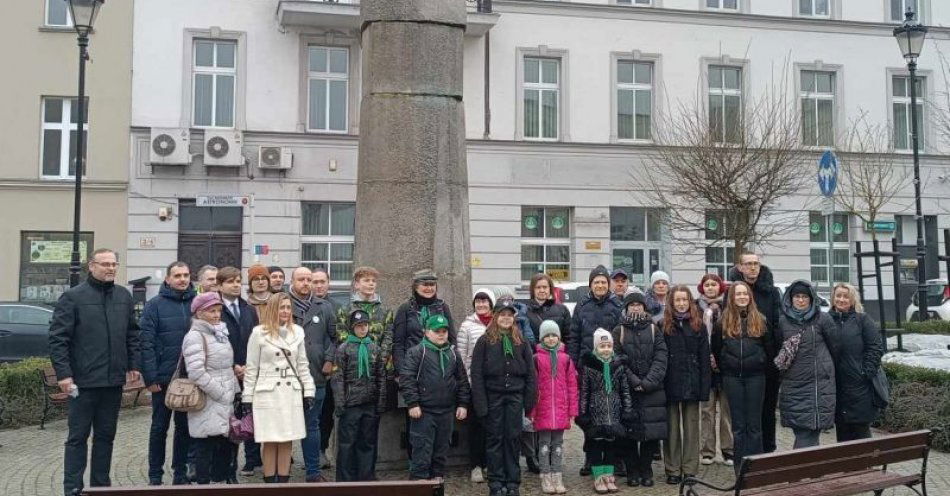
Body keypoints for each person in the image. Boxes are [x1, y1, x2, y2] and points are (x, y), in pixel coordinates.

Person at [49, 248, 141, 496]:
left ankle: (101, 488)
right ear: (91, 266)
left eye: (114, 264)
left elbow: (132, 334)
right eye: (105, 264)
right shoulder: (73, 297)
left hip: (112, 382)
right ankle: (73, 489)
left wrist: (133, 364)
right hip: (83, 382)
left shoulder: (123, 296)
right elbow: (59, 340)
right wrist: (64, 375)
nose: (111, 268)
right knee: (77, 438)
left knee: (105, 438)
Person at [242, 293, 317, 483]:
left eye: (288, 307)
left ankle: (283, 484)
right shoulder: (259, 333)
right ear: (273, 309)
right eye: (281, 307)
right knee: (269, 439)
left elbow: (302, 365)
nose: (285, 311)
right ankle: (269, 484)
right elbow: (251, 368)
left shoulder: (298, 331)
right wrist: (247, 398)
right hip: (267, 392)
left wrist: (308, 391)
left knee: (287, 439)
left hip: (290, 390)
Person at [471, 300, 538, 496]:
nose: (506, 318)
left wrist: (529, 401)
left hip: (515, 397)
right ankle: (496, 482)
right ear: (495, 316)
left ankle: (512, 482)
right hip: (493, 397)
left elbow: (531, 374)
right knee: (495, 441)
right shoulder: (484, 341)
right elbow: (476, 374)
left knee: (512, 440)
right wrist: (481, 404)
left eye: (510, 315)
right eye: (502, 314)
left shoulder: (521, 341)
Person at [140, 261, 196, 486]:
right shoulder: (154, 305)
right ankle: (155, 475)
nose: (182, 279)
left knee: (184, 429)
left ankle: (180, 473)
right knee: (159, 428)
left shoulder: (196, 303)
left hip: (189, 379)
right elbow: (146, 343)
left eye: (186, 275)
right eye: (177, 275)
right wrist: (150, 378)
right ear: (168, 279)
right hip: (163, 379)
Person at [400, 314, 471, 482]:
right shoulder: (417, 352)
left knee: (441, 452)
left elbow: (461, 380)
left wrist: (463, 403)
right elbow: (407, 378)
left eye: (444, 331)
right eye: (437, 331)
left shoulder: (453, 353)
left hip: (446, 411)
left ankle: (437, 484)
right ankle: (418, 485)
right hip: (424, 411)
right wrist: (413, 403)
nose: (441, 334)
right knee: (421, 452)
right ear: (426, 332)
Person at [712, 282, 770, 474]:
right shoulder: (722, 322)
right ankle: (740, 468)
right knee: (738, 426)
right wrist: (727, 366)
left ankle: (757, 468)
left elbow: (769, 348)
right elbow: (717, 349)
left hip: (756, 377)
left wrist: (760, 363)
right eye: (738, 294)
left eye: (745, 293)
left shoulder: (760, 320)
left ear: (750, 296)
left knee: (754, 425)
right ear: (732, 297)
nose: (742, 297)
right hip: (732, 378)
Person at [182, 292, 239, 484]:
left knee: (224, 444)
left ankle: (220, 483)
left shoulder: (221, 333)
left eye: (218, 311)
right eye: (211, 311)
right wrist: (220, 393)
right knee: (204, 445)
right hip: (207, 399)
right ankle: (203, 486)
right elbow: (196, 372)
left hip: (225, 399)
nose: (216, 315)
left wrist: (235, 392)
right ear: (199, 313)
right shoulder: (195, 336)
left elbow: (227, 367)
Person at [569, 265, 622, 477]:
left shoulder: (616, 305)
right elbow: (573, 336)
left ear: (608, 284)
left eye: (603, 282)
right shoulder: (582, 306)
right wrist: (573, 364)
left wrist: (618, 362)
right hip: (587, 367)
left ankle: (614, 459)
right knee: (588, 414)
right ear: (591, 285)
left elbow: (620, 337)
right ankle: (591, 457)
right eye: (596, 282)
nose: (600, 285)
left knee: (611, 413)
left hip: (611, 367)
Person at [728, 252, 782, 453]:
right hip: (740, 365)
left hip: (767, 363)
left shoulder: (772, 292)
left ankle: (767, 451)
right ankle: (744, 456)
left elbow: (777, 327)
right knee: (744, 417)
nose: (752, 268)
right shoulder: (733, 291)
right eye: (748, 264)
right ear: (740, 267)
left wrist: (774, 360)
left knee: (767, 411)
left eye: (756, 264)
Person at [612, 292, 667, 488]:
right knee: (628, 432)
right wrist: (634, 381)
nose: (636, 307)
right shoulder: (619, 330)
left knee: (649, 433)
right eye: (632, 304)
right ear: (626, 308)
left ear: (645, 307)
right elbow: (616, 358)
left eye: (639, 304)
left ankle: (646, 469)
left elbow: (661, 357)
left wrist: (648, 381)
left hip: (653, 389)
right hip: (627, 390)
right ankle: (632, 470)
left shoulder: (654, 329)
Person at [775, 280, 836, 449]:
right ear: (790, 299)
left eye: (804, 297)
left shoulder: (823, 319)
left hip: (818, 386)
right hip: (793, 386)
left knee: (809, 433)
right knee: (803, 433)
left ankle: (803, 471)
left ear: (811, 299)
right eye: (797, 296)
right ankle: (808, 471)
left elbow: (835, 348)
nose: (801, 300)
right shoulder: (783, 322)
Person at [662, 285, 711, 485]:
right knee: (671, 429)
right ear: (671, 303)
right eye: (677, 300)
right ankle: (672, 468)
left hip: (693, 381)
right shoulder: (663, 325)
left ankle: (690, 469)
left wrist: (704, 387)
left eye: (684, 300)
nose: (681, 304)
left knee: (691, 428)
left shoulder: (698, 325)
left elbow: (704, 358)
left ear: (690, 302)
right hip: (670, 381)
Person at [332, 309, 388, 482]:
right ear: (352, 328)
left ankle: (366, 477)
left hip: (369, 403)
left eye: (365, 325)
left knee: (368, 442)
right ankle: (345, 479)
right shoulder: (344, 348)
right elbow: (338, 377)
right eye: (358, 326)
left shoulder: (375, 348)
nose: (363, 329)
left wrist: (381, 402)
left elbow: (381, 377)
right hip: (350, 404)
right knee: (347, 444)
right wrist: (340, 403)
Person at [294, 267, 337, 482]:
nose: (306, 283)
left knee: (313, 424)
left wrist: (329, 360)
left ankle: (313, 471)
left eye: (308, 280)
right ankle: (277, 472)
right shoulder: (284, 305)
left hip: (317, 374)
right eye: (301, 279)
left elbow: (333, 337)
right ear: (293, 281)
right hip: (289, 377)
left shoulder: (325, 307)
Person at [826, 283, 884, 442]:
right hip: (836, 386)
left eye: (846, 296)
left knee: (861, 432)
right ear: (833, 298)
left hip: (859, 387)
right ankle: (847, 467)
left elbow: (875, 347)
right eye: (838, 295)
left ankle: (865, 466)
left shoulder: (862, 320)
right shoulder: (826, 320)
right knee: (842, 432)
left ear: (852, 300)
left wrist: (865, 372)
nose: (841, 299)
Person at [217, 267, 260, 479]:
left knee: (250, 416)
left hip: (248, 372)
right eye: (230, 282)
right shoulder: (215, 309)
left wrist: (248, 366)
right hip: (225, 374)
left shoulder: (249, 309)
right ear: (219, 285)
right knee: (229, 422)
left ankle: (251, 461)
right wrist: (233, 365)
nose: (235, 285)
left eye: (238, 281)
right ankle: (227, 468)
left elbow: (256, 340)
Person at [578, 329, 632, 494]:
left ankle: (608, 474)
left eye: (609, 345)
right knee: (596, 445)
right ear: (596, 348)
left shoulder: (619, 367)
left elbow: (625, 390)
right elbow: (585, 392)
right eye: (602, 346)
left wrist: (627, 410)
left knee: (611, 445)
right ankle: (598, 476)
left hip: (614, 412)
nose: (606, 349)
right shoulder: (590, 367)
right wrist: (583, 413)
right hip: (596, 413)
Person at [528, 320, 577, 494]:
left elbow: (572, 385)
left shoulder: (566, 359)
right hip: (543, 410)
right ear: (541, 338)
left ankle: (557, 474)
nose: (550, 339)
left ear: (559, 337)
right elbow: (532, 388)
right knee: (543, 445)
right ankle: (545, 475)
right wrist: (531, 411)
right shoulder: (536, 359)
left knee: (558, 445)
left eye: (553, 335)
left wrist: (572, 410)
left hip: (561, 410)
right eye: (547, 336)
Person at [457, 288, 495, 483]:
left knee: (492, 427)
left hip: (495, 385)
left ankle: (490, 463)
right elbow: (462, 357)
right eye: (478, 301)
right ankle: (476, 465)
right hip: (474, 384)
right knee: (476, 428)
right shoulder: (467, 326)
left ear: (491, 303)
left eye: (484, 301)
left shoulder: (499, 323)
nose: (481, 304)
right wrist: (465, 383)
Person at [696, 273, 733, 467]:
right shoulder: (697, 307)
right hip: (705, 367)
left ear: (720, 287)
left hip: (725, 366)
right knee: (707, 411)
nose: (710, 288)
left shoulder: (728, 306)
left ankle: (728, 450)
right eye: (707, 285)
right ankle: (707, 451)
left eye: (714, 285)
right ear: (702, 288)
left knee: (727, 412)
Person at [393, 269, 456, 376]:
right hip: (413, 366)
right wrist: (402, 372)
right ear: (416, 286)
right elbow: (398, 344)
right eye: (425, 285)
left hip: (439, 366)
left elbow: (452, 339)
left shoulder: (442, 307)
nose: (429, 288)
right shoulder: (406, 309)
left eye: (432, 285)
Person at [525, 273, 573, 351]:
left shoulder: (562, 310)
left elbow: (569, 338)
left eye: (545, 287)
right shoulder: (525, 311)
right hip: (534, 358)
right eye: (538, 287)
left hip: (557, 358)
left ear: (550, 289)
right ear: (532, 290)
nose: (542, 290)